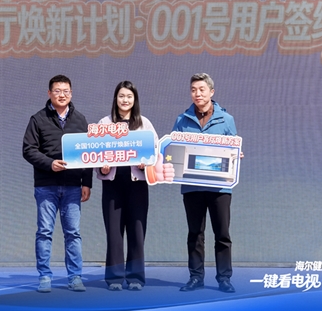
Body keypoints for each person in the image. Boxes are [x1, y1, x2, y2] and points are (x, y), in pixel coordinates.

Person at [22, 75, 92, 293]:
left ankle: (75, 277)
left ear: (71, 93)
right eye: (57, 91)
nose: (62, 95)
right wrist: (50, 163)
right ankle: (44, 276)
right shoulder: (38, 119)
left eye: (66, 91)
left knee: (73, 233)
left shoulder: (80, 119)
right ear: (49, 93)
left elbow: (88, 153)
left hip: (73, 185)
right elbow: (28, 150)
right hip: (46, 185)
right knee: (44, 232)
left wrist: (87, 183)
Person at [173, 73, 239, 293]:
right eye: (193, 90)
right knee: (195, 234)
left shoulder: (226, 119)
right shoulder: (182, 120)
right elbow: (173, 151)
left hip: (220, 187)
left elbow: (233, 149)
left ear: (211, 92)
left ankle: (224, 278)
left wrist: (236, 155)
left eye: (202, 89)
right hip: (192, 187)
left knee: (222, 234)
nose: (197, 94)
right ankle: (196, 277)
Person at [95, 81, 157, 291]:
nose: (125, 100)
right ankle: (114, 278)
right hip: (113, 186)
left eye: (129, 96)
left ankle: (135, 278)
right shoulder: (105, 123)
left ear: (135, 99)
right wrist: (102, 168)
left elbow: (155, 152)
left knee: (137, 232)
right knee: (114, 233)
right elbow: (95, 154)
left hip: (137, 185)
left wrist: (147, 162)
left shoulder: (144, 124)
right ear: (115, 98)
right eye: (121, 96)